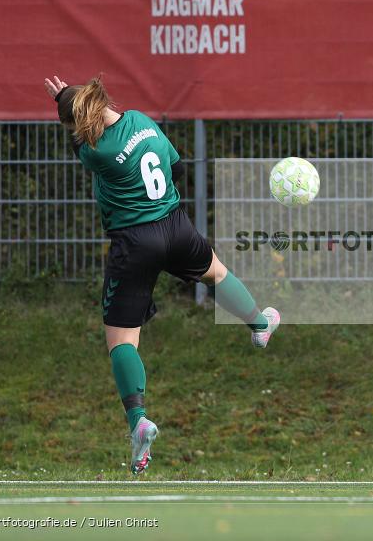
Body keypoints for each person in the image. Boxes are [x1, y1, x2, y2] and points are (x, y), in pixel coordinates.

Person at [44, 75, 280, 475]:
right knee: (216, 272)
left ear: (78, 124)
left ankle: (138, 421)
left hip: (136, 241)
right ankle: (259, 324)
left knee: (122, 340)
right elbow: (176, 167)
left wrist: (62, 103)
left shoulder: (94, 150)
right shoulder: (141, 119)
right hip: (175, 225)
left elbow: (79, 139)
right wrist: (71, 96)